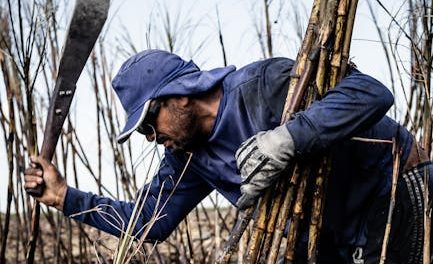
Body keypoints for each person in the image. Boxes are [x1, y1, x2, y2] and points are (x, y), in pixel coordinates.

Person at [24, 49, 431, 263]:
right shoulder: (188, 158)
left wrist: (287, 139)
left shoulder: (262, 85)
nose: (151, 138)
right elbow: (147, 223)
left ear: (179, 94)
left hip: (398, 192)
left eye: (149, 123)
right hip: (338, 241)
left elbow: (371, 93)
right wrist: (64, 198)